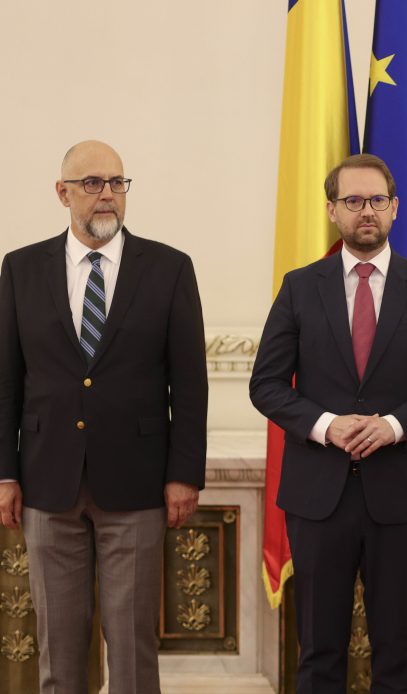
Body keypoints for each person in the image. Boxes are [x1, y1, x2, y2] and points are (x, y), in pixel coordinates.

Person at [249, 153, 407, 693]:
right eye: (353, 200)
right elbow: (266, 384)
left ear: (395, 208)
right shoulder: (300, 287)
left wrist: (393, 425)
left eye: (376, 200)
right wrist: (326, 424)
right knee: (318, 654)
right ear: (332, 210)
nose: (366, 210)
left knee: (396, 655)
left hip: (400, 498)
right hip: (318, 498)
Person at [0, 140, 208, 692]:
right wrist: (4, 473)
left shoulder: (168, 268)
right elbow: (6, 381)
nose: (107, 194)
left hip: (137, 485)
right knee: (59, 650)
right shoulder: (21, 269)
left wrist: (184, 474)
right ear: (62, 193)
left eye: (117, 182)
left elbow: (190, 384)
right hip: (48, 483)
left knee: (134, 648)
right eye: (92, 183)